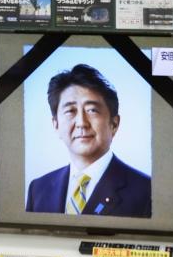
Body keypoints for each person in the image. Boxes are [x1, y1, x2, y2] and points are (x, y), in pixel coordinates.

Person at [26, 64, 151, 217]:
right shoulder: (38, 189)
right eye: (70, 111)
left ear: (114, 124)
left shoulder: (147, 191)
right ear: (56, 125)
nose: (81, 123)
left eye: (92, 110)